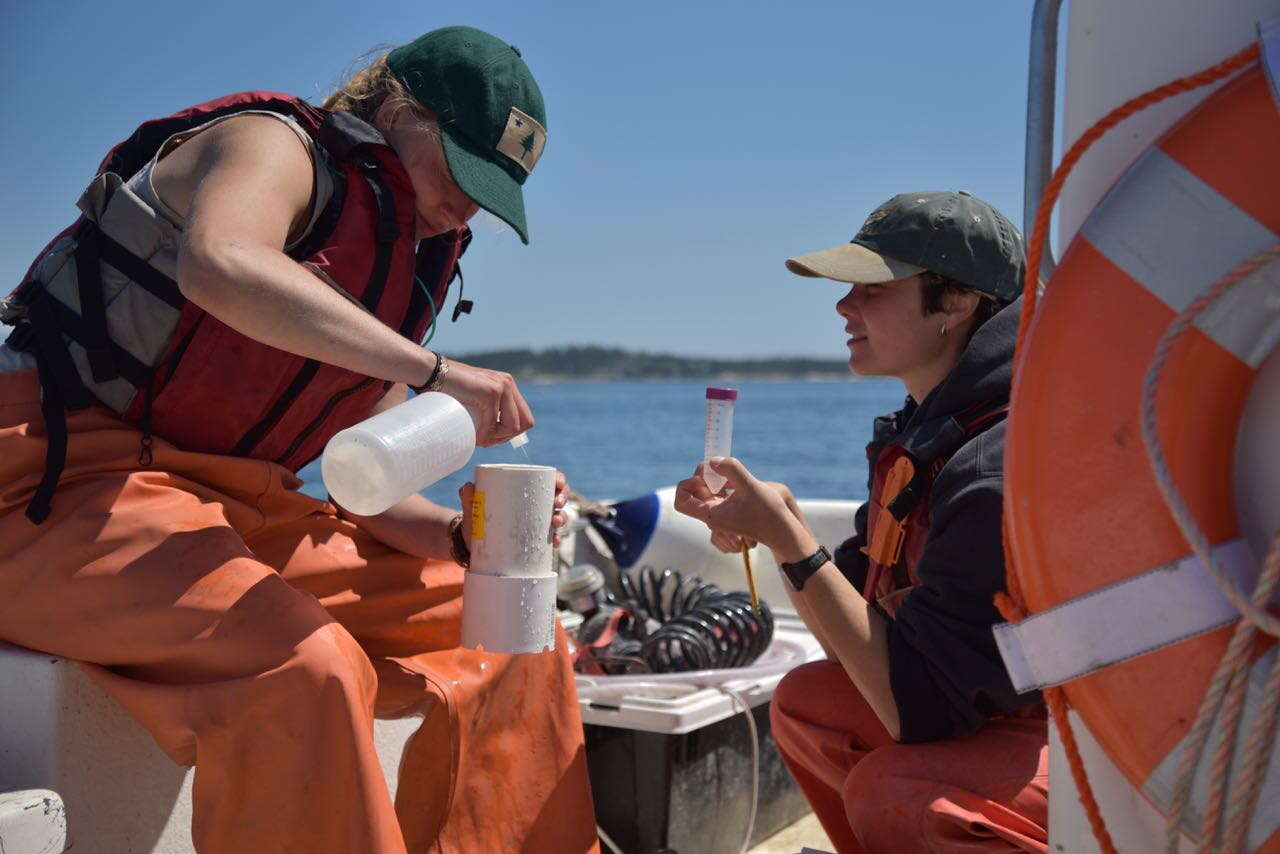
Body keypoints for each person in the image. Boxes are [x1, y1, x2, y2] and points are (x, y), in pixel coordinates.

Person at [0, 26, 597, 854]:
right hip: (50, 490)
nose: (466, 207)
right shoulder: (272, 144)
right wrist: (433, 371)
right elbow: (219, 263)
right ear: (397, 110)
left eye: (489, 193)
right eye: (460, 170)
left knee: (512, 624)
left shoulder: (404, 258)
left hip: (224, 512)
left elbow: (362, 481)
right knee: (306, 667)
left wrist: (465, 539)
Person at [674, 191, 1049, 853]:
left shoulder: (996, 464)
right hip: (986, 712)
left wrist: (788, 540)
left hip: (1083, 749)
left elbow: (916, 709)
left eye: (873, 287)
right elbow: (856, 613)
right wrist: (775, 525)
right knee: (805, 707)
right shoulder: (936, 431)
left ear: (957, 303)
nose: (845, 306)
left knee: (896, 789)